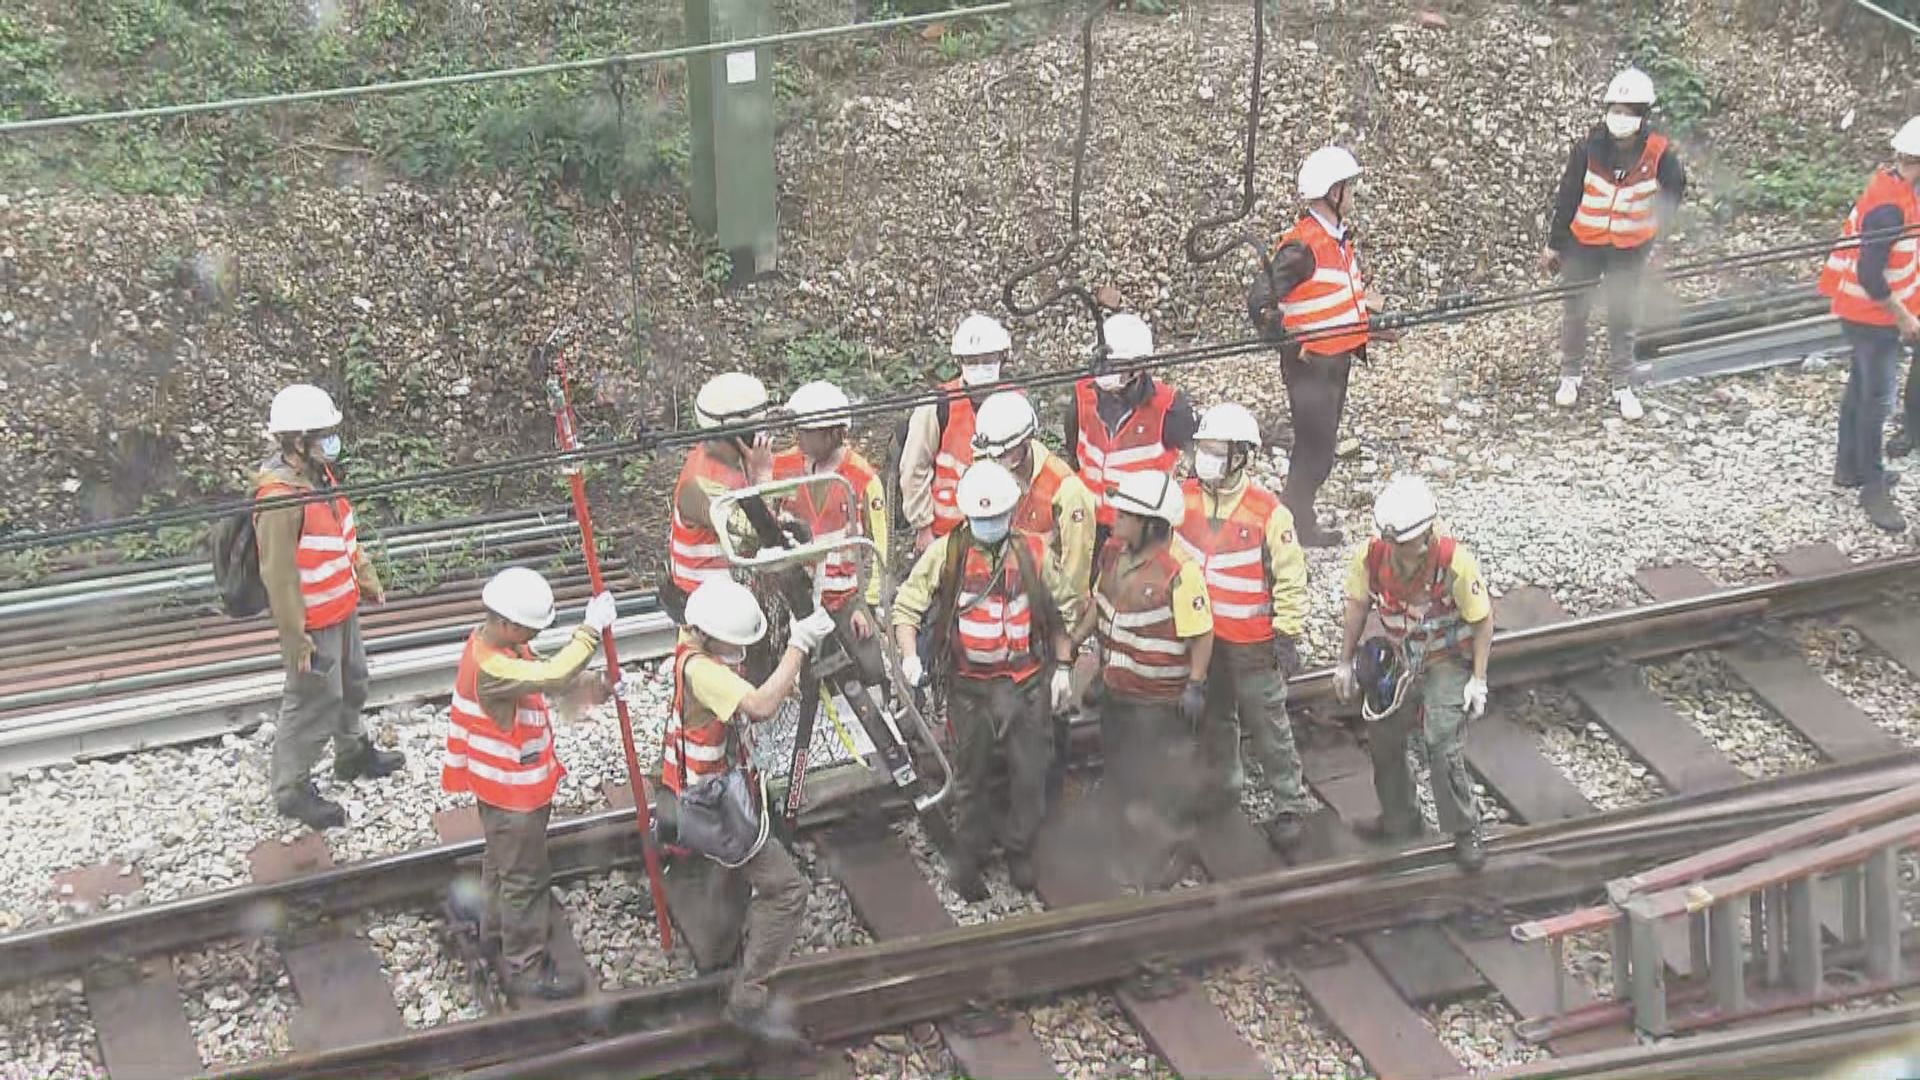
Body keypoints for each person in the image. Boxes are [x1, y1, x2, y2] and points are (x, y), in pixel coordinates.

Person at [892, 461, 1075, 899]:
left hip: (1026, 686)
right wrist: (909, 656)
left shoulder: (1033, 554)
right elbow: (907, 607)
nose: (988, 525)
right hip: (970, 689)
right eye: (980, 518)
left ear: (1011, 514)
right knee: (970, 778)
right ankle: (968, 857)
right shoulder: (947, 554)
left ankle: (1019, 850)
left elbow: (1065, 611)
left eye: (995, 517)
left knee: (1030, 772)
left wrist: (1065, 668)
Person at [665, 578, 837, 1039]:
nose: (739, 652)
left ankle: (717, 952)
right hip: (714, 804)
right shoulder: (703, 671)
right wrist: (798, 647)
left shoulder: (691, 651)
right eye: (734, 643)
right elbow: (759, 705)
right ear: (708, 634)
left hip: (699, 792)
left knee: (729, 874)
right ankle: (749, 991)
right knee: (785, 890)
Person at [441, 568, 619, 1001]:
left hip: (509, 788)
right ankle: (524, 964)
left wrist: (600, 688)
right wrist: (590, 632)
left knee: (503, 864)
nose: (535, 634)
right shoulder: (492, 665)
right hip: (511, 793)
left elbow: (547, 681)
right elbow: (553, 677)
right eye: (531, 627)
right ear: (506, 622)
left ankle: (495, 927)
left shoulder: (503, 645)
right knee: (524, 877)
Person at [254, 383, 402, 830]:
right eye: (321, 434)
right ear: (296, 441)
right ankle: (291, 788)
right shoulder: (279, 497)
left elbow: (341, 532)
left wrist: (366, 577)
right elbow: (277, 575)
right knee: (312, 699)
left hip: (341, 606)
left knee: (353, 681)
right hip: (312, 620)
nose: (330, 441)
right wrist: (294, 636)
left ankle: (351, 754)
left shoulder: (318, 477)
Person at [1332, 474, 1493, 872]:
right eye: (1393, 544)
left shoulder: (1456, 563)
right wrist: (1344, 660)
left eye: (1404, 545)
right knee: (1383, 736)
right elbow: (1357, 606)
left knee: (1441, 740)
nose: (1397, 552)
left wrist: (1478, 679)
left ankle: (1464, 827)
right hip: (1404, 658)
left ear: (1425, 536)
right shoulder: (1371, 557)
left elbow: (1483, 620)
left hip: (1446, 661)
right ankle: (1400, 821)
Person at [1173, 403, 1315, 849]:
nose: (1205, 458)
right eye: (1203, 448)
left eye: (1216, 450)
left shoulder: (1268, 513)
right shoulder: (1184, 498)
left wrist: (1287, 633)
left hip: (1253, 646)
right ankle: (1225, 788)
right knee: (1217, 719)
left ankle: (1288, 803)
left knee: (1268, 724)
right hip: (1203, 642)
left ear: (1239, 456)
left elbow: (1291, 577)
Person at [1070, 469, 1213, 889]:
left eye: (1127, 514)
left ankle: (1173, 851)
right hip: (1119, 689)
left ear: (1151, 524)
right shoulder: (1113, 554)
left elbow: (1201, 633)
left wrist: (1196, 684)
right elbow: (1101, 602)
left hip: (1158, 697)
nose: (1116, 518)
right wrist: (1076, 641)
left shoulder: (1179, 572)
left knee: (1160, 776)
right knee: (1123, 764)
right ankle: (1128, 838)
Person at [1541, 67, 1687, 421]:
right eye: (1614, 109)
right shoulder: (1588, 148)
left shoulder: (1660, 154)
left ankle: (1622, 383)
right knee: (1576, 310)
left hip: (1629, 248)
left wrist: (1658, 241)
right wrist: (1554, 244)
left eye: (1628, 111)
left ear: (1642, 115)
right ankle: (1570, 376)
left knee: (1622, 314)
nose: (1619, 118)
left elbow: (1672, 197)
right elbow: (1568, 196)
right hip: (1583, 243)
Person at [1259, 146, 1378, 547]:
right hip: (1310, 365)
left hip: (1336, 360)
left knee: (1319, 445)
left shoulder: (1337, 238)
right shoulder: (1303, 245)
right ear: (1332, 192)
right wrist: (1280, 335)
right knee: (1317, 448)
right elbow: (1261, 297)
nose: (1354, 195)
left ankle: (1295, 520)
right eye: (1349, 188)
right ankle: (1291, 524)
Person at [1820, 116, 1920, 534]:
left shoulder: (1899, 189)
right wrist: (1905, 317)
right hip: (1871, 316)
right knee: (1877, 400)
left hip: (1861, 313)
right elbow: (1871, 276)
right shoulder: (1888, 208)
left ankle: (1850, 467)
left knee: (1859, 390)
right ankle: (1873, 486)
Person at [773, 379, 890, 714]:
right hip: (798, 596)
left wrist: (865, 605)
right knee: (808, 676)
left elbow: (879, 548)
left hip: (844, 598)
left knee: (867, 668)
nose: (799, 437)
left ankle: (879, 721)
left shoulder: (863, 478)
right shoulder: (782, 467)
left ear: (833, 433)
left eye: (807, 431)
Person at [1065, 312, 1198, 562]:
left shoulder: (1168, 407)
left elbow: (1199, 456)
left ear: (1138, 367)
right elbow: (1073, 449)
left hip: (1139, 529)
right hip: (1088, 523)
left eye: (1116, 365)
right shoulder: (1082, 394)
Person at [899, 314, 1012, 553]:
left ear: (1002, 357)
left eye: (987, 359)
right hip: (947, 535)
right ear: (959, 361)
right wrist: (923, 527)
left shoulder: (1014, 403)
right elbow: (914, 468)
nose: (980, 367)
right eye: (972, 360)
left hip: (1000, 529)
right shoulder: (938, 406)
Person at [668, 372, 774, 599]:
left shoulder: (742, 462)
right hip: (705, 603)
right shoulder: (699, 484)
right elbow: (756, 536)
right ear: (740, 437)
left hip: (734, 593)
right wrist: (764, 477)